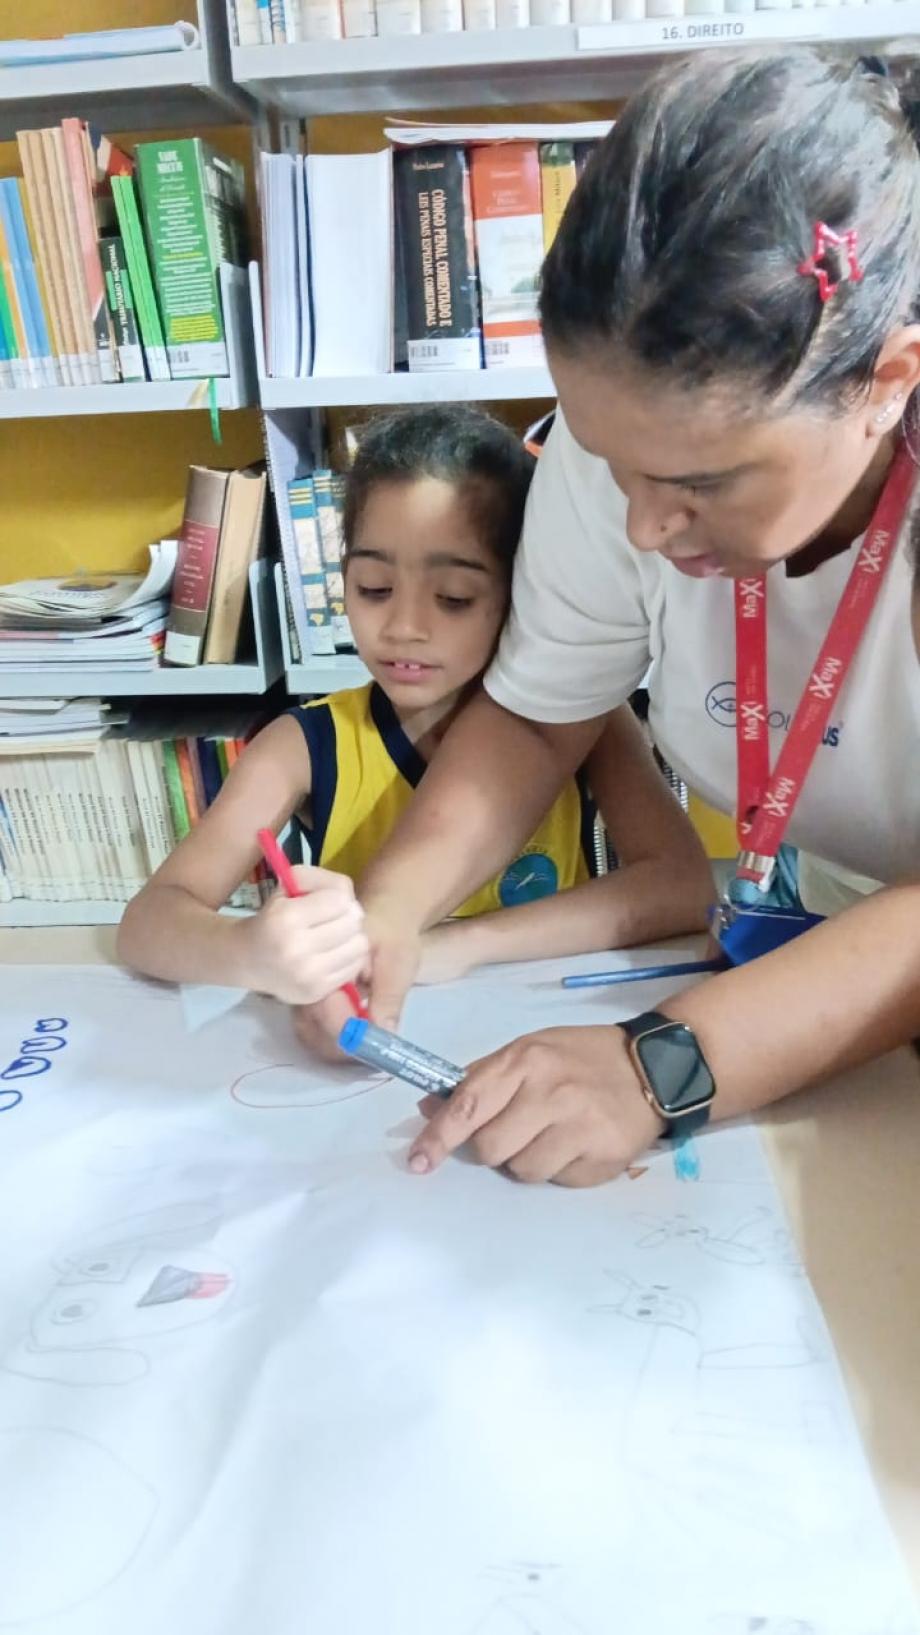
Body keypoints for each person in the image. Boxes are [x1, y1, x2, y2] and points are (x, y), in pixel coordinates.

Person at [298, 49, 920, 1186]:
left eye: (700, 483)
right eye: (610, 461)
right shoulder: (627, 458)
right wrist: (388, 913)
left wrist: (657, 1070)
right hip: (839, 937)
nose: (642, 526)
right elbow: (541, 718)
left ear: (886, 383)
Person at [117, 406, 711, 1011]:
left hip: (540, 1026)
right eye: (373, 588)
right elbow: (149, 922)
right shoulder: (303, 744)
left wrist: (455, 946)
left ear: (526, 591)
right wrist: (247, 950)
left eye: (453, 597)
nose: (403, 627)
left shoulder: (584, 723)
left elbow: (684, 887)